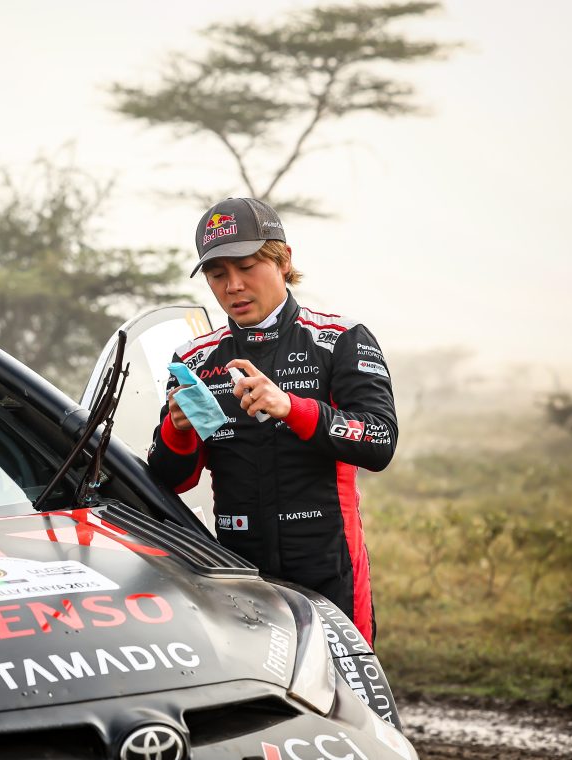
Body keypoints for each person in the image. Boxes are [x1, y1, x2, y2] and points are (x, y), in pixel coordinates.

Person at [147, 197, 397, 645]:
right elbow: (173, 481)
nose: (233, 286)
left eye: (247, 267)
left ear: (283, 261)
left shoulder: (340, 339)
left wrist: (292, 408)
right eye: (217, 274)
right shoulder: (194, 358)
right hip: (238, 574)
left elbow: (379, 441)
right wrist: (177, 430)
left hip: (330, 568)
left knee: (346, 688)